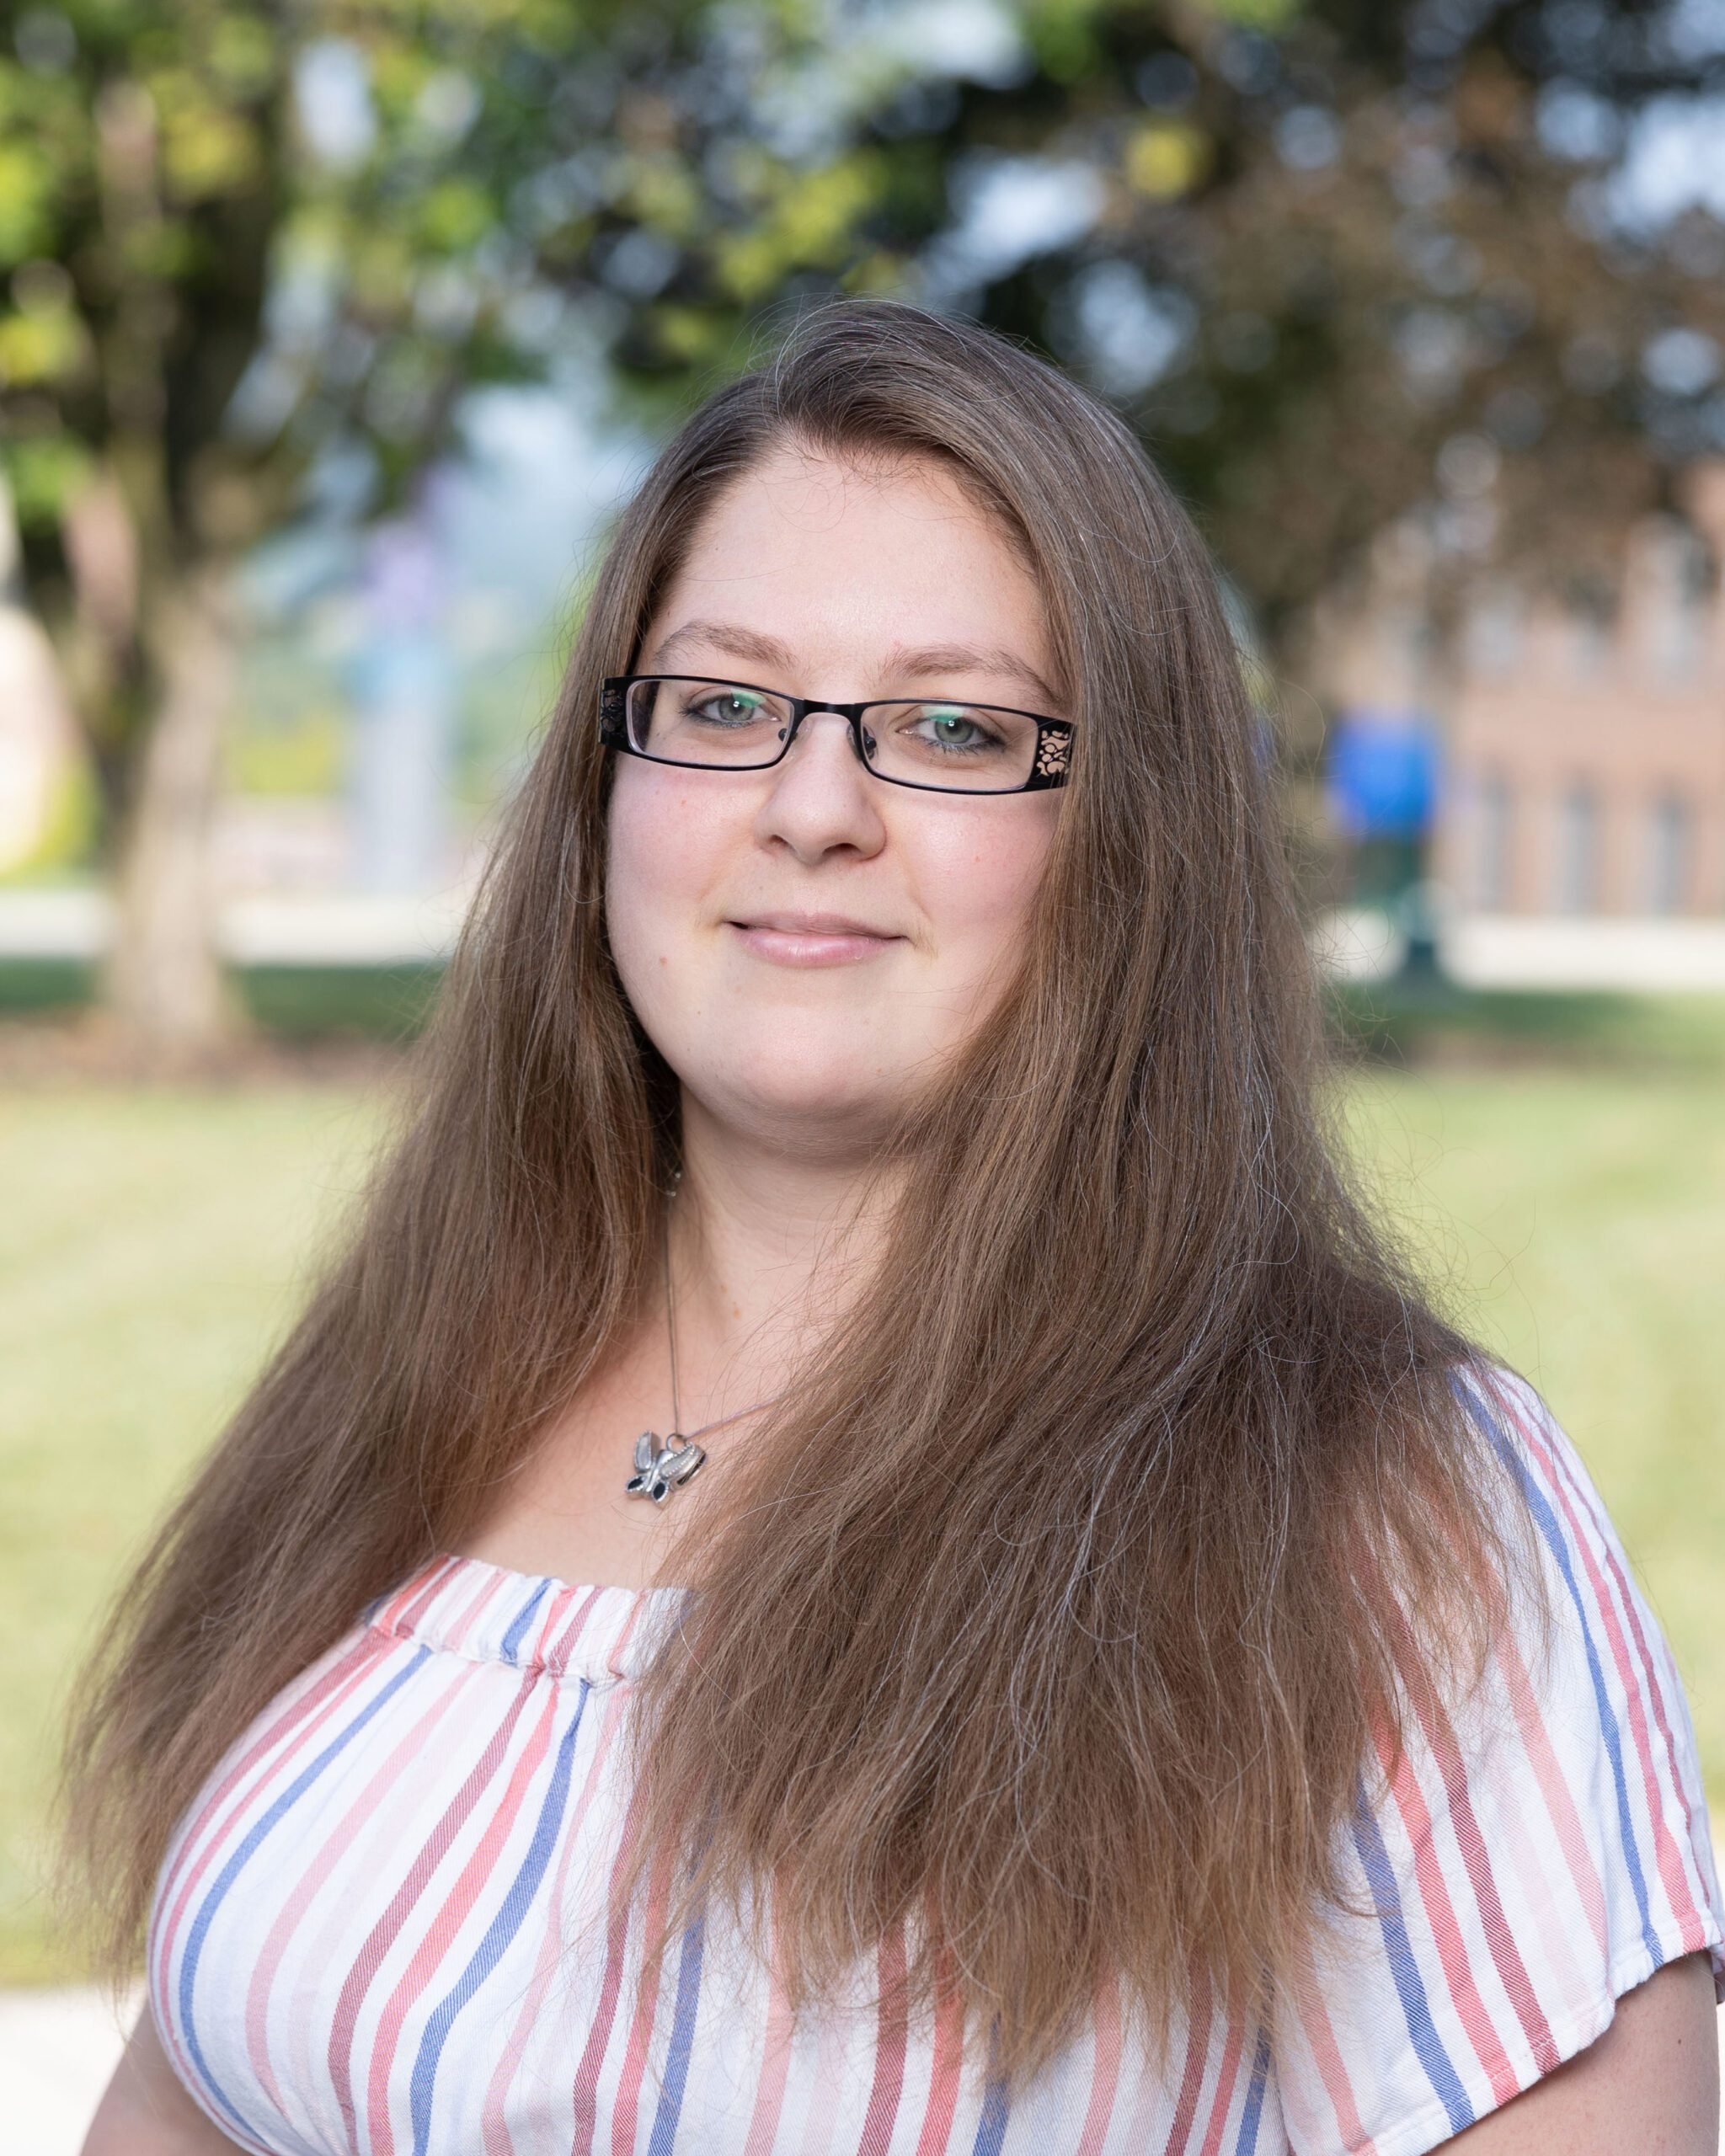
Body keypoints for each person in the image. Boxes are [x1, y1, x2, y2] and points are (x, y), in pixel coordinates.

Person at [65, 300, 1720, 2154]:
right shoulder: (414, 1382)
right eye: (724, 705)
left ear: (1130, 836)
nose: (812, 808)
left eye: (951, 727)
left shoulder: (1382, 1506)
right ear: (608, 780)